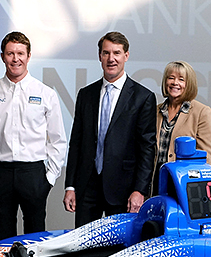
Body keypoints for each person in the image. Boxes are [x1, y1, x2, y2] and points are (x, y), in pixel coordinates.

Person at [0, 32, 67, 239]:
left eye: (20, 53)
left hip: (33, 174)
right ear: (2, 56)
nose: (15, 59)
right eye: (10, 53)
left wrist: (50, 178)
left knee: (35, 237)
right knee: (3, 237)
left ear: (29, 56)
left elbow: (58, 139)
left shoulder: (46, 94)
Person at [63, 31, 156, 227]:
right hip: (87, 187)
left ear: (126, 56)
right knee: (84, 244)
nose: (111, 58)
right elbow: (76, 143)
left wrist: (140, 190)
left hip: (124, 190)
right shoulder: (86, 94)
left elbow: (147, 149)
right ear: (100, 56)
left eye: (116, 53)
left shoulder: (143, 97)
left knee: (119, 245)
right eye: (106, 53)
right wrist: (70, 186)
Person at [153, 60, 211, 190]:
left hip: (183, 186)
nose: (175, 83)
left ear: (189, 84)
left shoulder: (202, 112)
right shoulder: (155, 111)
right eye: (171, 78)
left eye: (181, 79)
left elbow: (205, 159)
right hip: (154, 184)